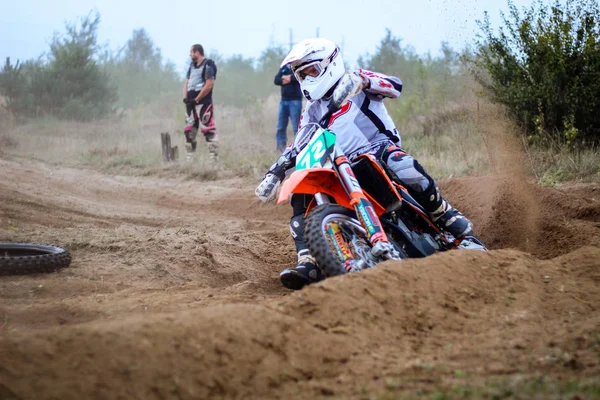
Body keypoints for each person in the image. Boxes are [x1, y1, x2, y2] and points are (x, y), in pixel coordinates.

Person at [256, 38, 474, 290]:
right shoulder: (312, 109)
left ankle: (446, 217)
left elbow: (395, 86)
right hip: (338, 165)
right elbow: (300, 141)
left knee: (400, 163)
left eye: (312, 71)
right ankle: (309, 260)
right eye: (301, 75)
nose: (307, 79)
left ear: (331, 63)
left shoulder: (354, 80)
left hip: (376, 150)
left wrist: (365, 81)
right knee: (301, 195)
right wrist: (277, 170)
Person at [183, 44, 218, 161]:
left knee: (208, 130)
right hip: (190, 104)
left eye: (191, 52)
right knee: (189, 131)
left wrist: (197, 99)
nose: (190, 54)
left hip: (203, 104)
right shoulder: (191, 66)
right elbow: (187, 83)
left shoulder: (208, 65)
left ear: (197, 52)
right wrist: (186, 98)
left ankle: (214, 159)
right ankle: (190, 159)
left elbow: (209, 84)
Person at [274, 63, 303, 152]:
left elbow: (298, 78)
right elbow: (276, 80)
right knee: (280, 126)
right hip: (283, 101)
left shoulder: (299, 66)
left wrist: (287, 78)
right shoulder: (284, 67)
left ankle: (298, 148)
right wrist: (290, 78)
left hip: (295, 101)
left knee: (296, 127)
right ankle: (280, 148)